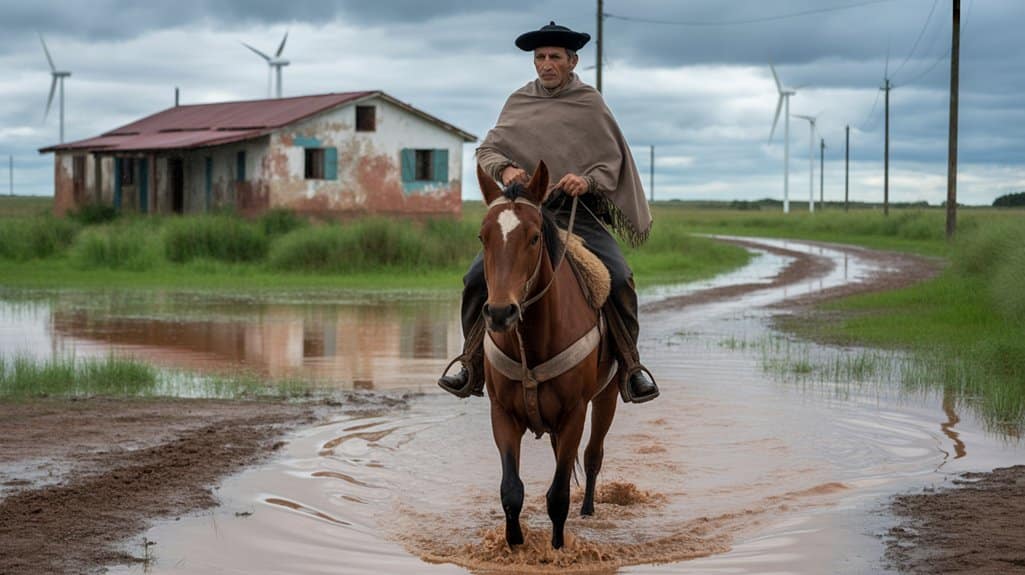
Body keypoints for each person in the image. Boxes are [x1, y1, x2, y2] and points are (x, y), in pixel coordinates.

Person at [438, 21, 659, 403]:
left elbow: (612, 162)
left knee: (620, 278)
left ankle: (630, 366)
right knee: (476, 279)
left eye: (555, 57)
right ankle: (471, 363)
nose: (546, 64)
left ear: (572, 61)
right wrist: (506, 169)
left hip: (579, 212)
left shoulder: (590, 103)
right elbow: (487, 150)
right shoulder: (519, 101)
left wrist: (585, 181)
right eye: (540, 57)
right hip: (528, 212)